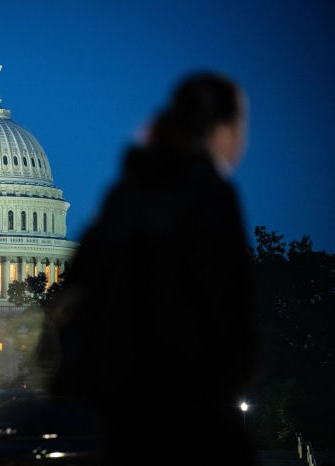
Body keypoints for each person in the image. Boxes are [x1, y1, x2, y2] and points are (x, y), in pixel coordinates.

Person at [48, 72, 259, 465]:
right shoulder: (210, 193)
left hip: (124, 407)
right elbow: (228, 304)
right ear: (223, 129)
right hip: (193, 404)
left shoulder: (125, 191)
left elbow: (75, 286)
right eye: (242, 124)